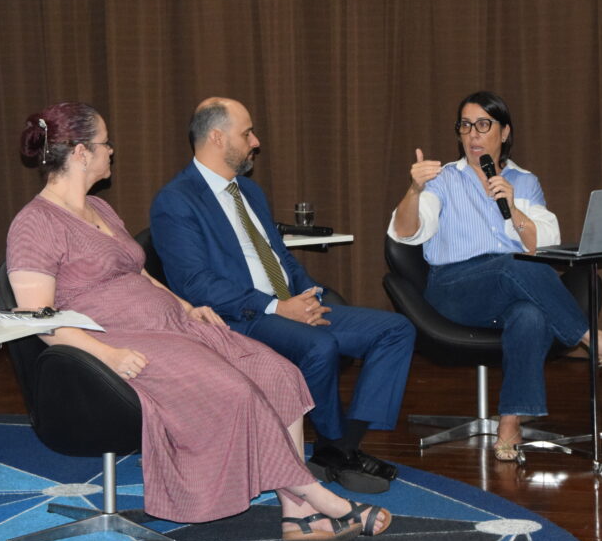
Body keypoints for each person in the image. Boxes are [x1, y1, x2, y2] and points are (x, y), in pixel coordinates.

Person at [6, 101, 391, 541]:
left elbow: (140, 274)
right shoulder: (34, 223)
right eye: (105, 143)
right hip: (118, 342)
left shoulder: (100, 209)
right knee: (235, 391)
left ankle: (296, 515)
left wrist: (186, 306)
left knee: (279, 374)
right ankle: (318, 499)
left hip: (174, 324)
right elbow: (37, 319)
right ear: (80, 153)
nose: (111, 150)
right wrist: (106, 354)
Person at [150, 97, 415, 494]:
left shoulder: (249, 191)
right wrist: (277, 307)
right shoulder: (176, 200)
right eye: (247, 133)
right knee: (319, 346)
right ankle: (336, 449)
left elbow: (280, 256)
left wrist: (308, 294)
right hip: (238, 319)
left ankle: (339, 447)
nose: (256, 142)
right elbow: (195, 284)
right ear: (217, 138)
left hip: (287, 306)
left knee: (395, 330)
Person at [388, 91, 602, 462]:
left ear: (504, 133)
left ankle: (510, 423)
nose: (473, 134)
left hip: (512, 284)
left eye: (483, 125)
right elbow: (406, 233)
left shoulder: (524, 181)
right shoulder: (443, 179)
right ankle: (599, 344)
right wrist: (414, 189)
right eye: (465, 125)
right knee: (512, 266)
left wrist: (512, 206)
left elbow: (540, 245)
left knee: (529, 313)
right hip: (454, 288)